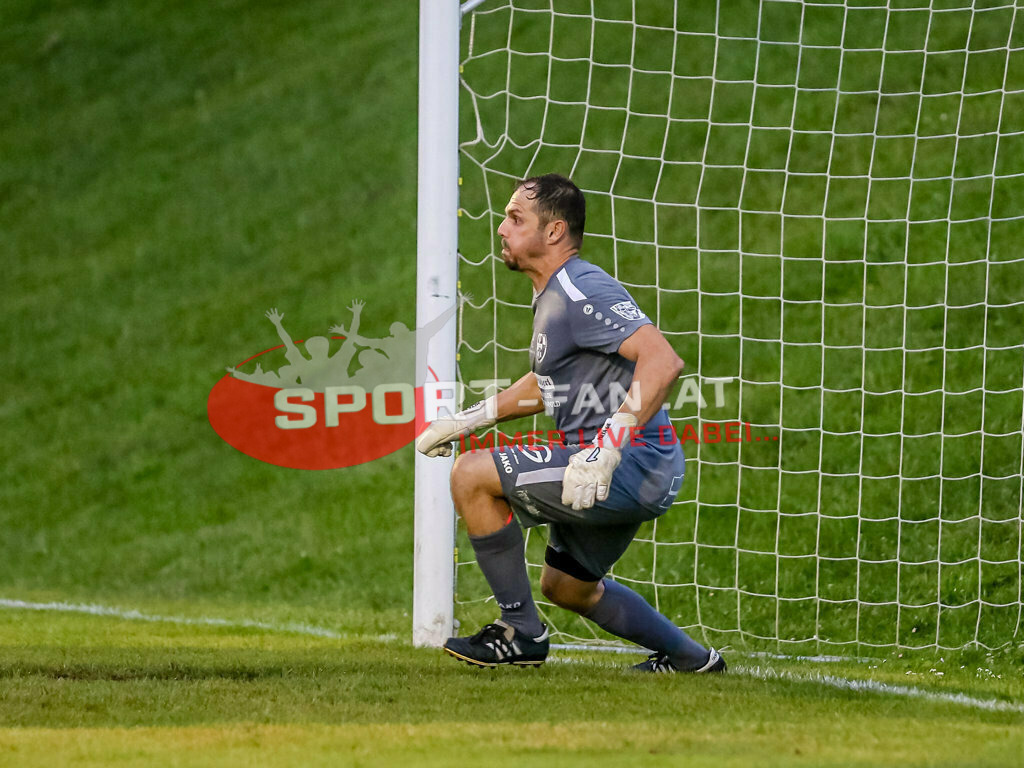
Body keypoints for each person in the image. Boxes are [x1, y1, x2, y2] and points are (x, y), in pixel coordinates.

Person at [416, 174, 726, 674]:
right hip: (632, 467)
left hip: (625, 461)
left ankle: (519, 632)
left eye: (516, 218)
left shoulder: (580, 287)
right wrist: (467, 420)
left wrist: (607, 447)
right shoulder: (554, 295)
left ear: (555, 231)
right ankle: (694, 660)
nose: (501, 227)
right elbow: (545, 385)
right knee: (567, 587)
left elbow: (663, 361)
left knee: (471, 476)